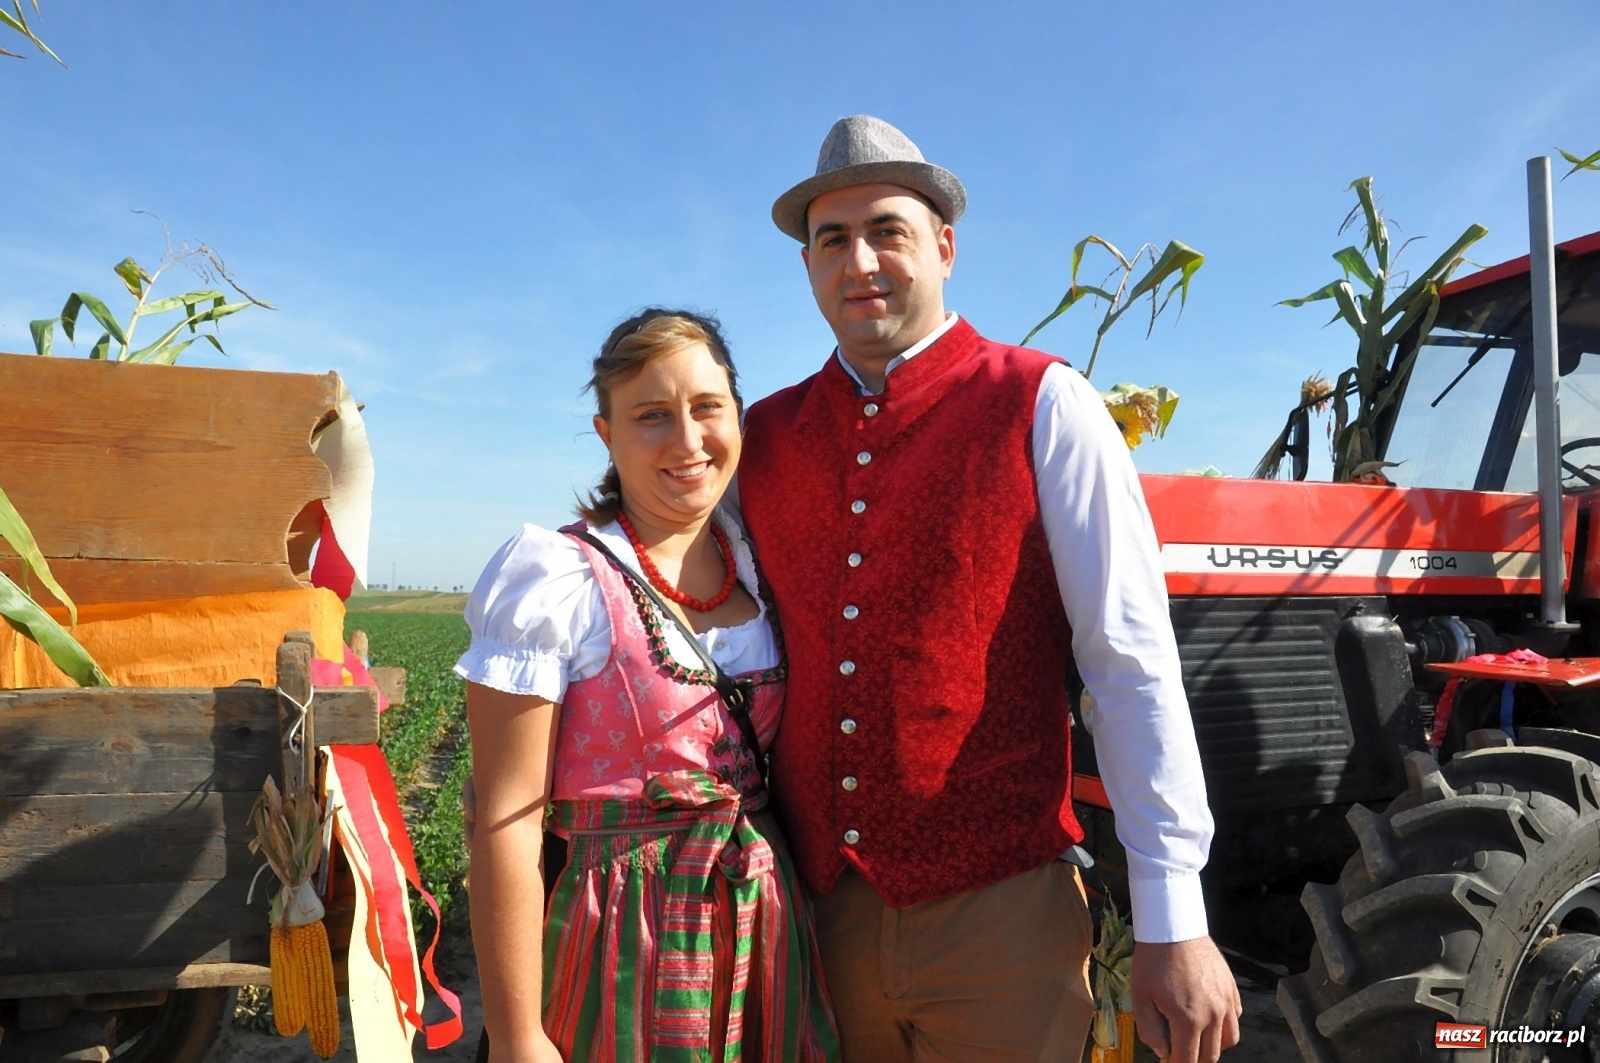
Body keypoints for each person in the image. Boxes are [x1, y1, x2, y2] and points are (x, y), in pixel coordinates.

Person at [734, 115, 1243, 1063]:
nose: (861, 261)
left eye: (888, 229)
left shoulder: (1044, 403)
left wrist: (1176, 916)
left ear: (945, 246)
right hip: (818, 917)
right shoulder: (760, 437)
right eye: (831, 239)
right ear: (807, 265)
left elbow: (1128, 665)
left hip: (1002, 921)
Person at [454, 309, 839, 1063]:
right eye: (652, 416)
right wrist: (515, 1034)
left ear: (737, 412)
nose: (688, 440)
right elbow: (505, 820)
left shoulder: (758, 555)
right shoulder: (557, 579)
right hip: (618, 936)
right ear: (606, 434)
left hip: (761, 923)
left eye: (707, 408)